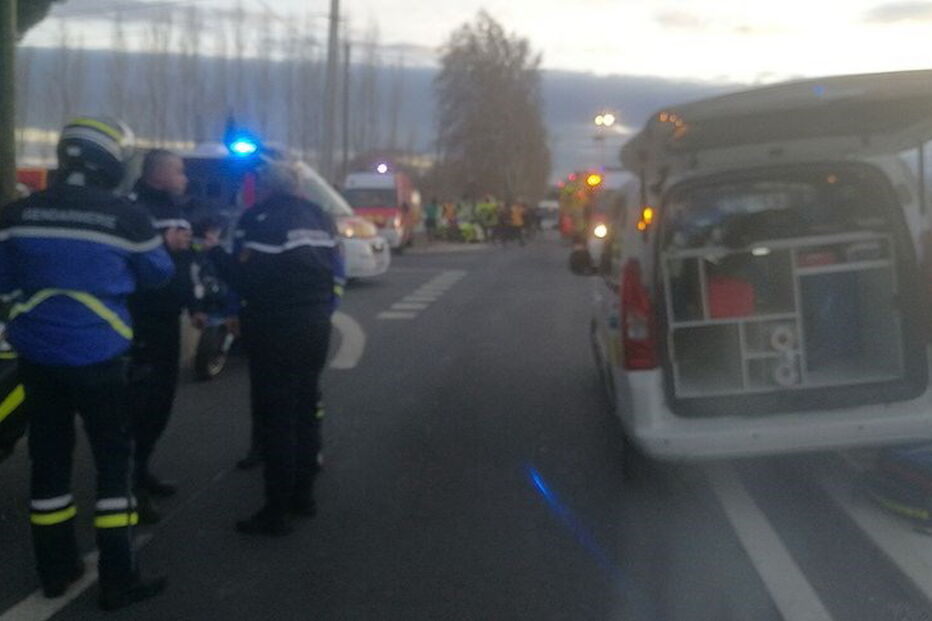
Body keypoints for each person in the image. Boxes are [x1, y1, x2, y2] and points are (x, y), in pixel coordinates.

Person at [0, 117, 172, 609]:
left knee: (48, 465)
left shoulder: (18, 213)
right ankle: (119, 579)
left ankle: (56, 571)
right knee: (114, 466)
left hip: (36, 357)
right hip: (101, 358)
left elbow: (4, 281)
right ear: (112, 162)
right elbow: (157, 275)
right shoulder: (126, 216)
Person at [209, 159, 344, 536]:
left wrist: (214, 253)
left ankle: (276, 509)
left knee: (277, 419)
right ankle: (304, 495)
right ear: (299, 186)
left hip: (274, 328)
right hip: (316, 326)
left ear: (265, 188)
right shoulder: (320, 215)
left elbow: (246, 277)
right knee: (306, 408)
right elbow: (336, 267)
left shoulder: (259, 218)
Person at [127, 149, 205, 524]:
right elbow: (125, 258)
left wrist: (195, 303)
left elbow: (186, 261)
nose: (185, 177)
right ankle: (129, 488)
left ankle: (142, 470)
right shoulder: (132, 208)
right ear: (159, 174)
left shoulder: (177, 208)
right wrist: (164, 244)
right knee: (139, 406)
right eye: (179, 171)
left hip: (167, 319)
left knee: (160, 402)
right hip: (137, 320)